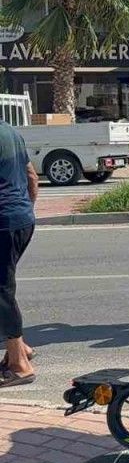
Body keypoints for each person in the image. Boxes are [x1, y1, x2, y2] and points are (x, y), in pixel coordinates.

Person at [0, 119, 38, 388]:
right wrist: (25, 210)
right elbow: (31, 176)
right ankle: (21, 348)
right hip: (21, 219)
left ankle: (20, 365)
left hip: (3, 222)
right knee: (4, 288)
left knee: (2, 291)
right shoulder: (9, 131)